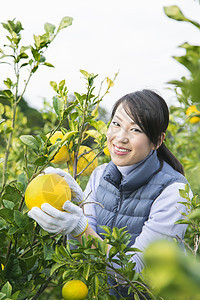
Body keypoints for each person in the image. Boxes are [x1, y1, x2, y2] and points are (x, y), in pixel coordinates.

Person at [28, 89, 192, 299]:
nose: (120, 137)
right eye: (116, 124)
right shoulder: (99, 175)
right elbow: (82, 256)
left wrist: (79, 227)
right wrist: (77, 206)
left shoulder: (174, 191)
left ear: (157, 141)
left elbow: (137, 273)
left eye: (135, 129)